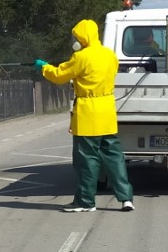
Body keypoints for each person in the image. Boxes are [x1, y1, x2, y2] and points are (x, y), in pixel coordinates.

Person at [34, 19, 134, 212]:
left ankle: (85, 201)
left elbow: (59, 75)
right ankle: (126, 198)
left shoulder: (81, 57)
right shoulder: (110, 55)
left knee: (87, 160)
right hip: (107, 109)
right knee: (114, 157)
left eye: (76, 36)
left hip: (88, 111)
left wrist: (43, 67)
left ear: (82, 37)